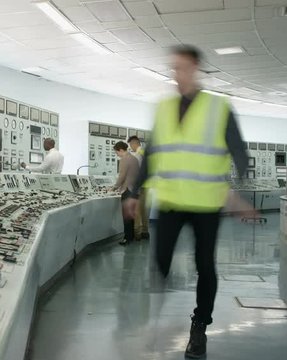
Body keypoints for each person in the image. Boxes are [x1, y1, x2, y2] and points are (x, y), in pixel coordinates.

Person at [125, 45, 249, 359]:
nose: (175, 73)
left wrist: (238, 190)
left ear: (194, 68)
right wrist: (135, 192)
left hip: (206, 203)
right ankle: (153, 322)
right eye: (173, 67)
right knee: (160, 263)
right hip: (170, 200)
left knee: (204, 265)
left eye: (181, 67)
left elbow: (238, 149)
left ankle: (200, 327)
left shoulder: (219, 107)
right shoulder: (164, 107)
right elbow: (153, 154)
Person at [110, 141, 140, 246]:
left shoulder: (124, 159)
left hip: (127, 190)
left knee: (126, 216)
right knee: (131, 216)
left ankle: (127, 238)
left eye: (116, 152)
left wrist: (113, 188)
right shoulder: (134, 159)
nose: (116, 154)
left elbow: (122, 176)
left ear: (121, 150)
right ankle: (131, 237)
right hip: (135, 190)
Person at [127, 135, 149, 240]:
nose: (130, 147)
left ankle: (137, 234)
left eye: (131, 145)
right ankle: (145, 232)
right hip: (146, 185)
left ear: (134, 143)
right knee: (144, 210)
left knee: (137, 210)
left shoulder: (138, 154)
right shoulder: (144, 152)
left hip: (140, 185)